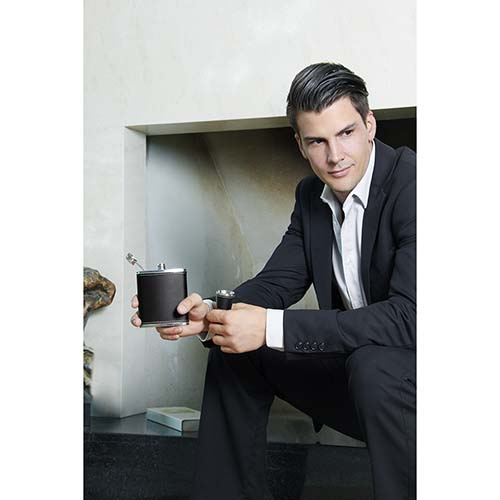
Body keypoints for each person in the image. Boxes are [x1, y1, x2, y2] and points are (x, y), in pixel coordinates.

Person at [131, 62, 416, 500]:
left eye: (346, 133)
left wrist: (269, 326)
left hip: (414, 387)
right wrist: (213, 315)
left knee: (371, 366)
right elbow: (275, 283)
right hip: (362, 385)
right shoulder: (311, 196)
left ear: (370, 125)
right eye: (317, 141)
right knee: (235, 346)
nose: (335, 156)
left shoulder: (416, 185)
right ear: (300, 144)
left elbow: (410, 319)